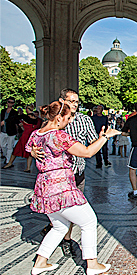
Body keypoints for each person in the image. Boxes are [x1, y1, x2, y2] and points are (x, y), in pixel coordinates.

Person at [26, 101, 120, 275]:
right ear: (59, 117)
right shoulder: (59, 136)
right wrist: (105, 137)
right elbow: (87, 152)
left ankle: (40, 262)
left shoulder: (37, 133)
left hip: (44, 187)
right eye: (68, 118)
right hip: (61, 186)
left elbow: (28, 147)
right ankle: (92, 264)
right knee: (89, 221)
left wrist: (32, 152)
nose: (69, 121)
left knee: (59, 226)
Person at [33, 88, 100, 257]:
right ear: (62, 101)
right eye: (71, 101)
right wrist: (33, 151)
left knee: (72, 211)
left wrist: (100, 139)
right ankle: (67, 241)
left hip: (77, 170)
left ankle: (58, 240)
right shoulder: (53, 123)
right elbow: (37, 140)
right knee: (74, 215)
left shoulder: (85, 119)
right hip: (58, 176)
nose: (75, 104)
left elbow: (91, 143)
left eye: (77, 102)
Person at [2, 104, 42, 172]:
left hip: (25, 136)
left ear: (27, 109)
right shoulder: (36, 119)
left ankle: (10, 163)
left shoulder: (24, 117)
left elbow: (13, 119)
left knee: (16, 150)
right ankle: (28, 168)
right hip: (31, 136)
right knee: (29, 153)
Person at [1, 97, 18, 164]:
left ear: (13, 103)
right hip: (3, 131)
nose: (10, 103)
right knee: (2, 145)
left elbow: (12, 119)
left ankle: (8, 161)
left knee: (10, 147)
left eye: (11, 102)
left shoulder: (14, 112)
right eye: (9, 102)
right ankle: (6, 157)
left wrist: (4, 121)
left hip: (11, 132)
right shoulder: (3, 111)